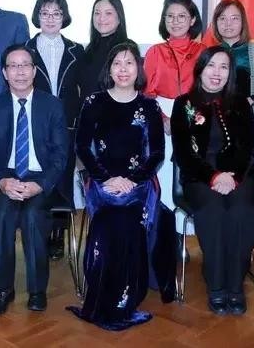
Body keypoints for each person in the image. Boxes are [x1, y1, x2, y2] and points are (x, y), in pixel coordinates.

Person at [67, 40, 164, 331]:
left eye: (129, 63)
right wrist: (106, 179)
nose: (123, 69)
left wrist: (131, 181)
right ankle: (100, 300)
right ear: (109, 68)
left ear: (139, 68)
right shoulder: (93, 102)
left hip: (138, 186)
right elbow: (82, 147)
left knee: (128, 224)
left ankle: (125, 302)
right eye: (117, 63)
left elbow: (157, 153)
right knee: (107, 226)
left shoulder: (149, 106)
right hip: (102, 183)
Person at [170, 46, 254, 315]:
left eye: (224, 67)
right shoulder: (183, 104)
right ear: (200, 69)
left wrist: (232, 176)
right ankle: (217, 285)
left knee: (243, 212)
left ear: (230, 73)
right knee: (214, 211)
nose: (217, 72)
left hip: (237, 177)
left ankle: (235, 285)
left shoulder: (241, 104)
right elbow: (184, 154)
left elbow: (248, 148)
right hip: (199, 177)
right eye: (211, 66)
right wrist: (213, 176)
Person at [0, 45, 68, 315]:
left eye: (25, 65)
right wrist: (1, 182)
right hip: (7, 179)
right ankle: (3, 290)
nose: (20, 71)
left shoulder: (52, 105)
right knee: (3, 217)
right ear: (4, 73)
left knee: (33, 217)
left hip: (40, 178)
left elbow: (60, 155)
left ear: (34, 71)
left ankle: (36, 291)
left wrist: (40, 184)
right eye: (13, 66)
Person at [25, 0, 85, 260]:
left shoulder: (76, 49)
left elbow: (81, 90)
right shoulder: (25, 49)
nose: (50, 18)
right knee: (40, 175)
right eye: (45, 13)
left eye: (56, 13)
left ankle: (58, 233)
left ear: (65, 17)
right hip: (36, 124)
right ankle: (39, 228)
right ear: (37, 16)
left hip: (68, 124)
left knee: (62, 178)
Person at [144, 0, 207, 248]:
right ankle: (170, 240)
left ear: (192, 19)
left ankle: (193, 235)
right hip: (163, 116)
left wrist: (197, 117)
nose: (175, 21)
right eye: (170, 16)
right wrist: (164, 118)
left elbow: (210, 89)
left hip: (197, 117)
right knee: (167, 178)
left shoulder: (204, 51)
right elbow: (145, 93)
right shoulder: (155, 51)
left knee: (192, 176)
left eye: (182, 16)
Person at [211, 0, 254, 112]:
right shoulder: (210, 52)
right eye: (222, 18)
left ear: (243, 22)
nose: (228, 23)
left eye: (234, 18)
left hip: (247, 115)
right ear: (216, 22)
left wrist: (253, 100)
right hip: (215, 115)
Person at [74, 0, 128, 98]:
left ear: (119, 17)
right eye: (97, 13)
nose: (101, 18)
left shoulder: (127, 49)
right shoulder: (87, 50)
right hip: (87, 111)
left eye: (108, 13)